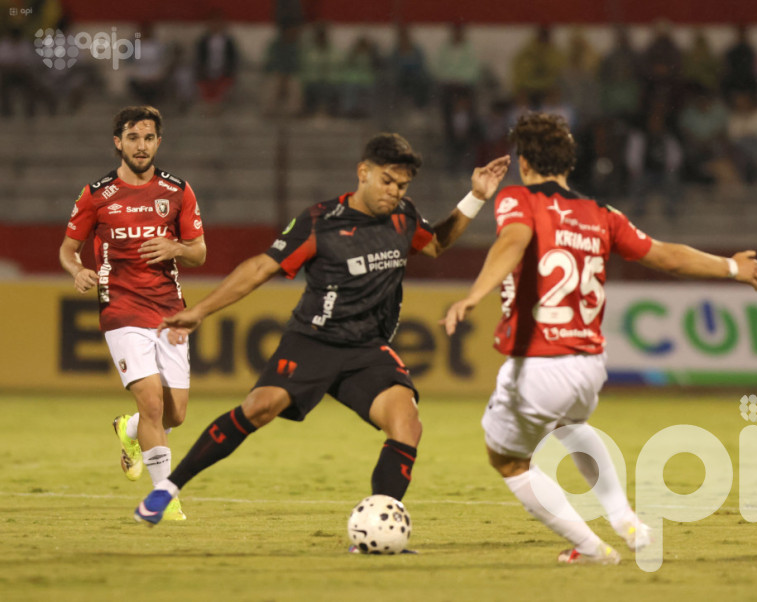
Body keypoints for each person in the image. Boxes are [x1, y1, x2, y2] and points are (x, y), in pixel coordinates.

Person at [133, 134, 511, 532]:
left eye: (402, 186)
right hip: (313, 340)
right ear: (363, 173)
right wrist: (200, 311)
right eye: (387, 181)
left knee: (407, 423)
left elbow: (434, 244)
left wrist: (476, 196)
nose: (394, 192)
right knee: (260, 407)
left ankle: (379, 528)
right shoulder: (321, 221)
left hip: (367, 348)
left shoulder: (404, 216)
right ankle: (168, 488)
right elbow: (261, 267)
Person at [442, 112, 757, 565]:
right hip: (589, 365)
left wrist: (475, 295)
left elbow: (513, 240)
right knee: (571, 428)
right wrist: (731, 267)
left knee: (508, 461)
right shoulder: (602, 214)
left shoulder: (518, 199)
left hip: (539, 361)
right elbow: (667, 257)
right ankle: (626, 519)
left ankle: (591, 547)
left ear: (524, 163)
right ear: (569, 164)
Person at [58, 106, 207, 521]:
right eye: (133, 137)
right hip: (120, 308)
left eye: (148, 138)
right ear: (118, 142)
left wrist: (176, 247)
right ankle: (165, 498)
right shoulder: (96, 195)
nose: (141, 146)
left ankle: (128, 429)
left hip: (169, 311)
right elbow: (68, 250)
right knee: (153, 404)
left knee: (176, 413)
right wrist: (78, 271)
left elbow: (199, 252)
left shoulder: (178, 191)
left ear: (158, 142)